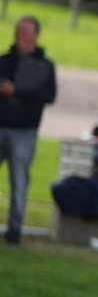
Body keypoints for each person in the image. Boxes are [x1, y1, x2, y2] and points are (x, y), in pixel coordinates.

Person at [0, 16, 57, 246]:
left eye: (24, 31)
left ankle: (14, 233)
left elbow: (48, 96)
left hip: (24, 132)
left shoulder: (44, 66)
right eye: (18, 30)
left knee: (19, 183)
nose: (19, 35)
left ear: (35, 36)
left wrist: (16, 91)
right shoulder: (4, 60)